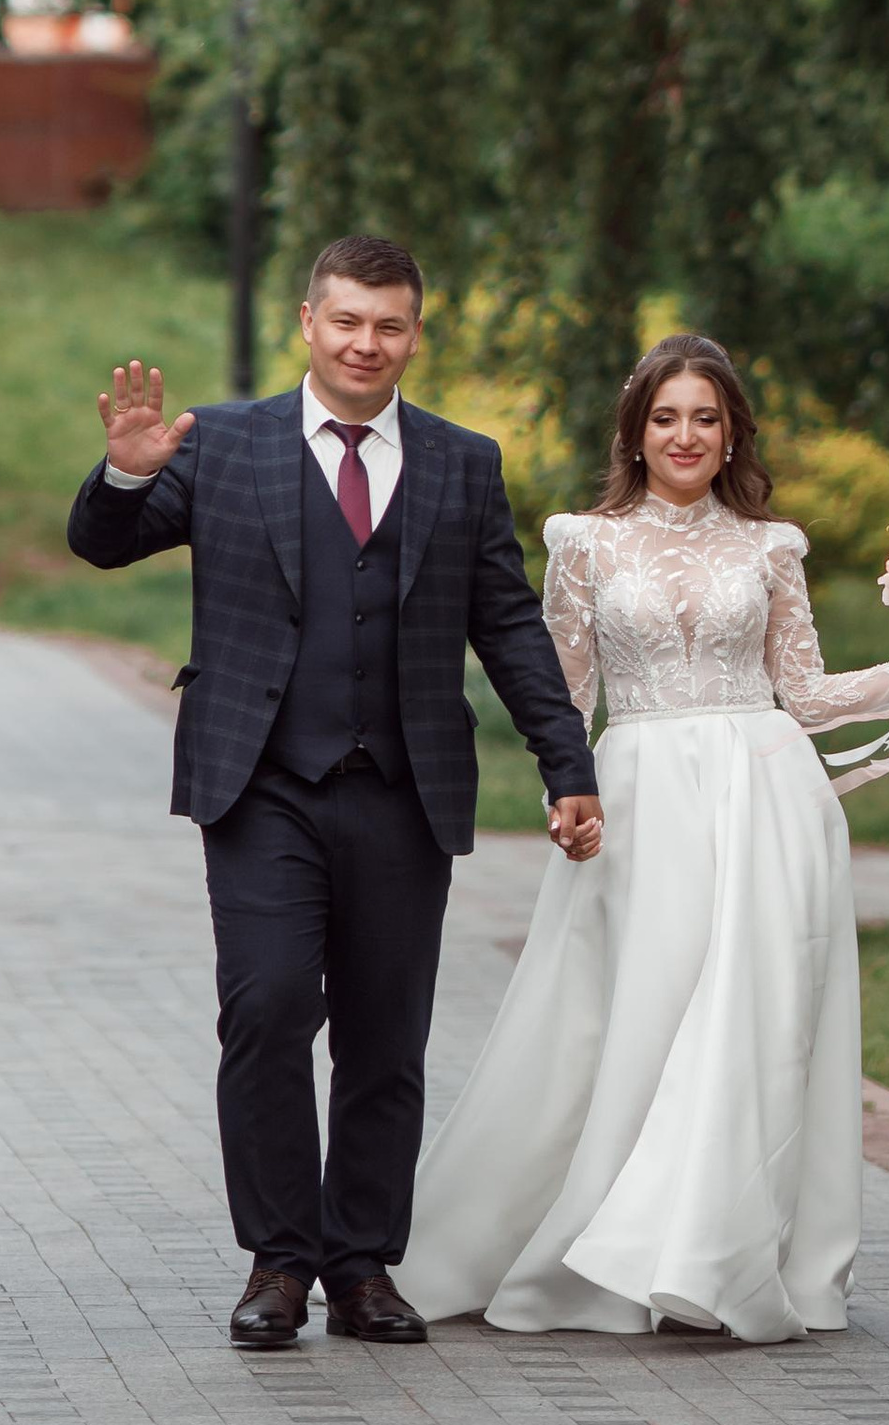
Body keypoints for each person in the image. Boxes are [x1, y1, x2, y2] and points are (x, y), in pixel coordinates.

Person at [66, 233, 601, 1353]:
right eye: (347, 320)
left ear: (414, 333)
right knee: (265, 1011)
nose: (366, 342)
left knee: (384, 1038)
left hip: (402, 791)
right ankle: (278, 1260)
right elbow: (103, 547)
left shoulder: (462, 462)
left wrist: (567, 765)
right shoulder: (223, 445)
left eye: (389, 324)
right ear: (307, 322)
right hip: (260, 785)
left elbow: (505, 624)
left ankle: (362, 1267)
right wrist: (126, 469)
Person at [397, 333, 889, 1344]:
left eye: (705, 417)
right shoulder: (584, 543)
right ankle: (591, 1253)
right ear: (635, 429)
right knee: (625, 1019)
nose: (684, 435)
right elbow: (560, 692)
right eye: (664, 416)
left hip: (765, 797)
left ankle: (712, 1259)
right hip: (638, 796)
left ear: (731, 432)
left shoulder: (770, 547)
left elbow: (800, 692)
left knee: (745, 1028)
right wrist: (559, 790)